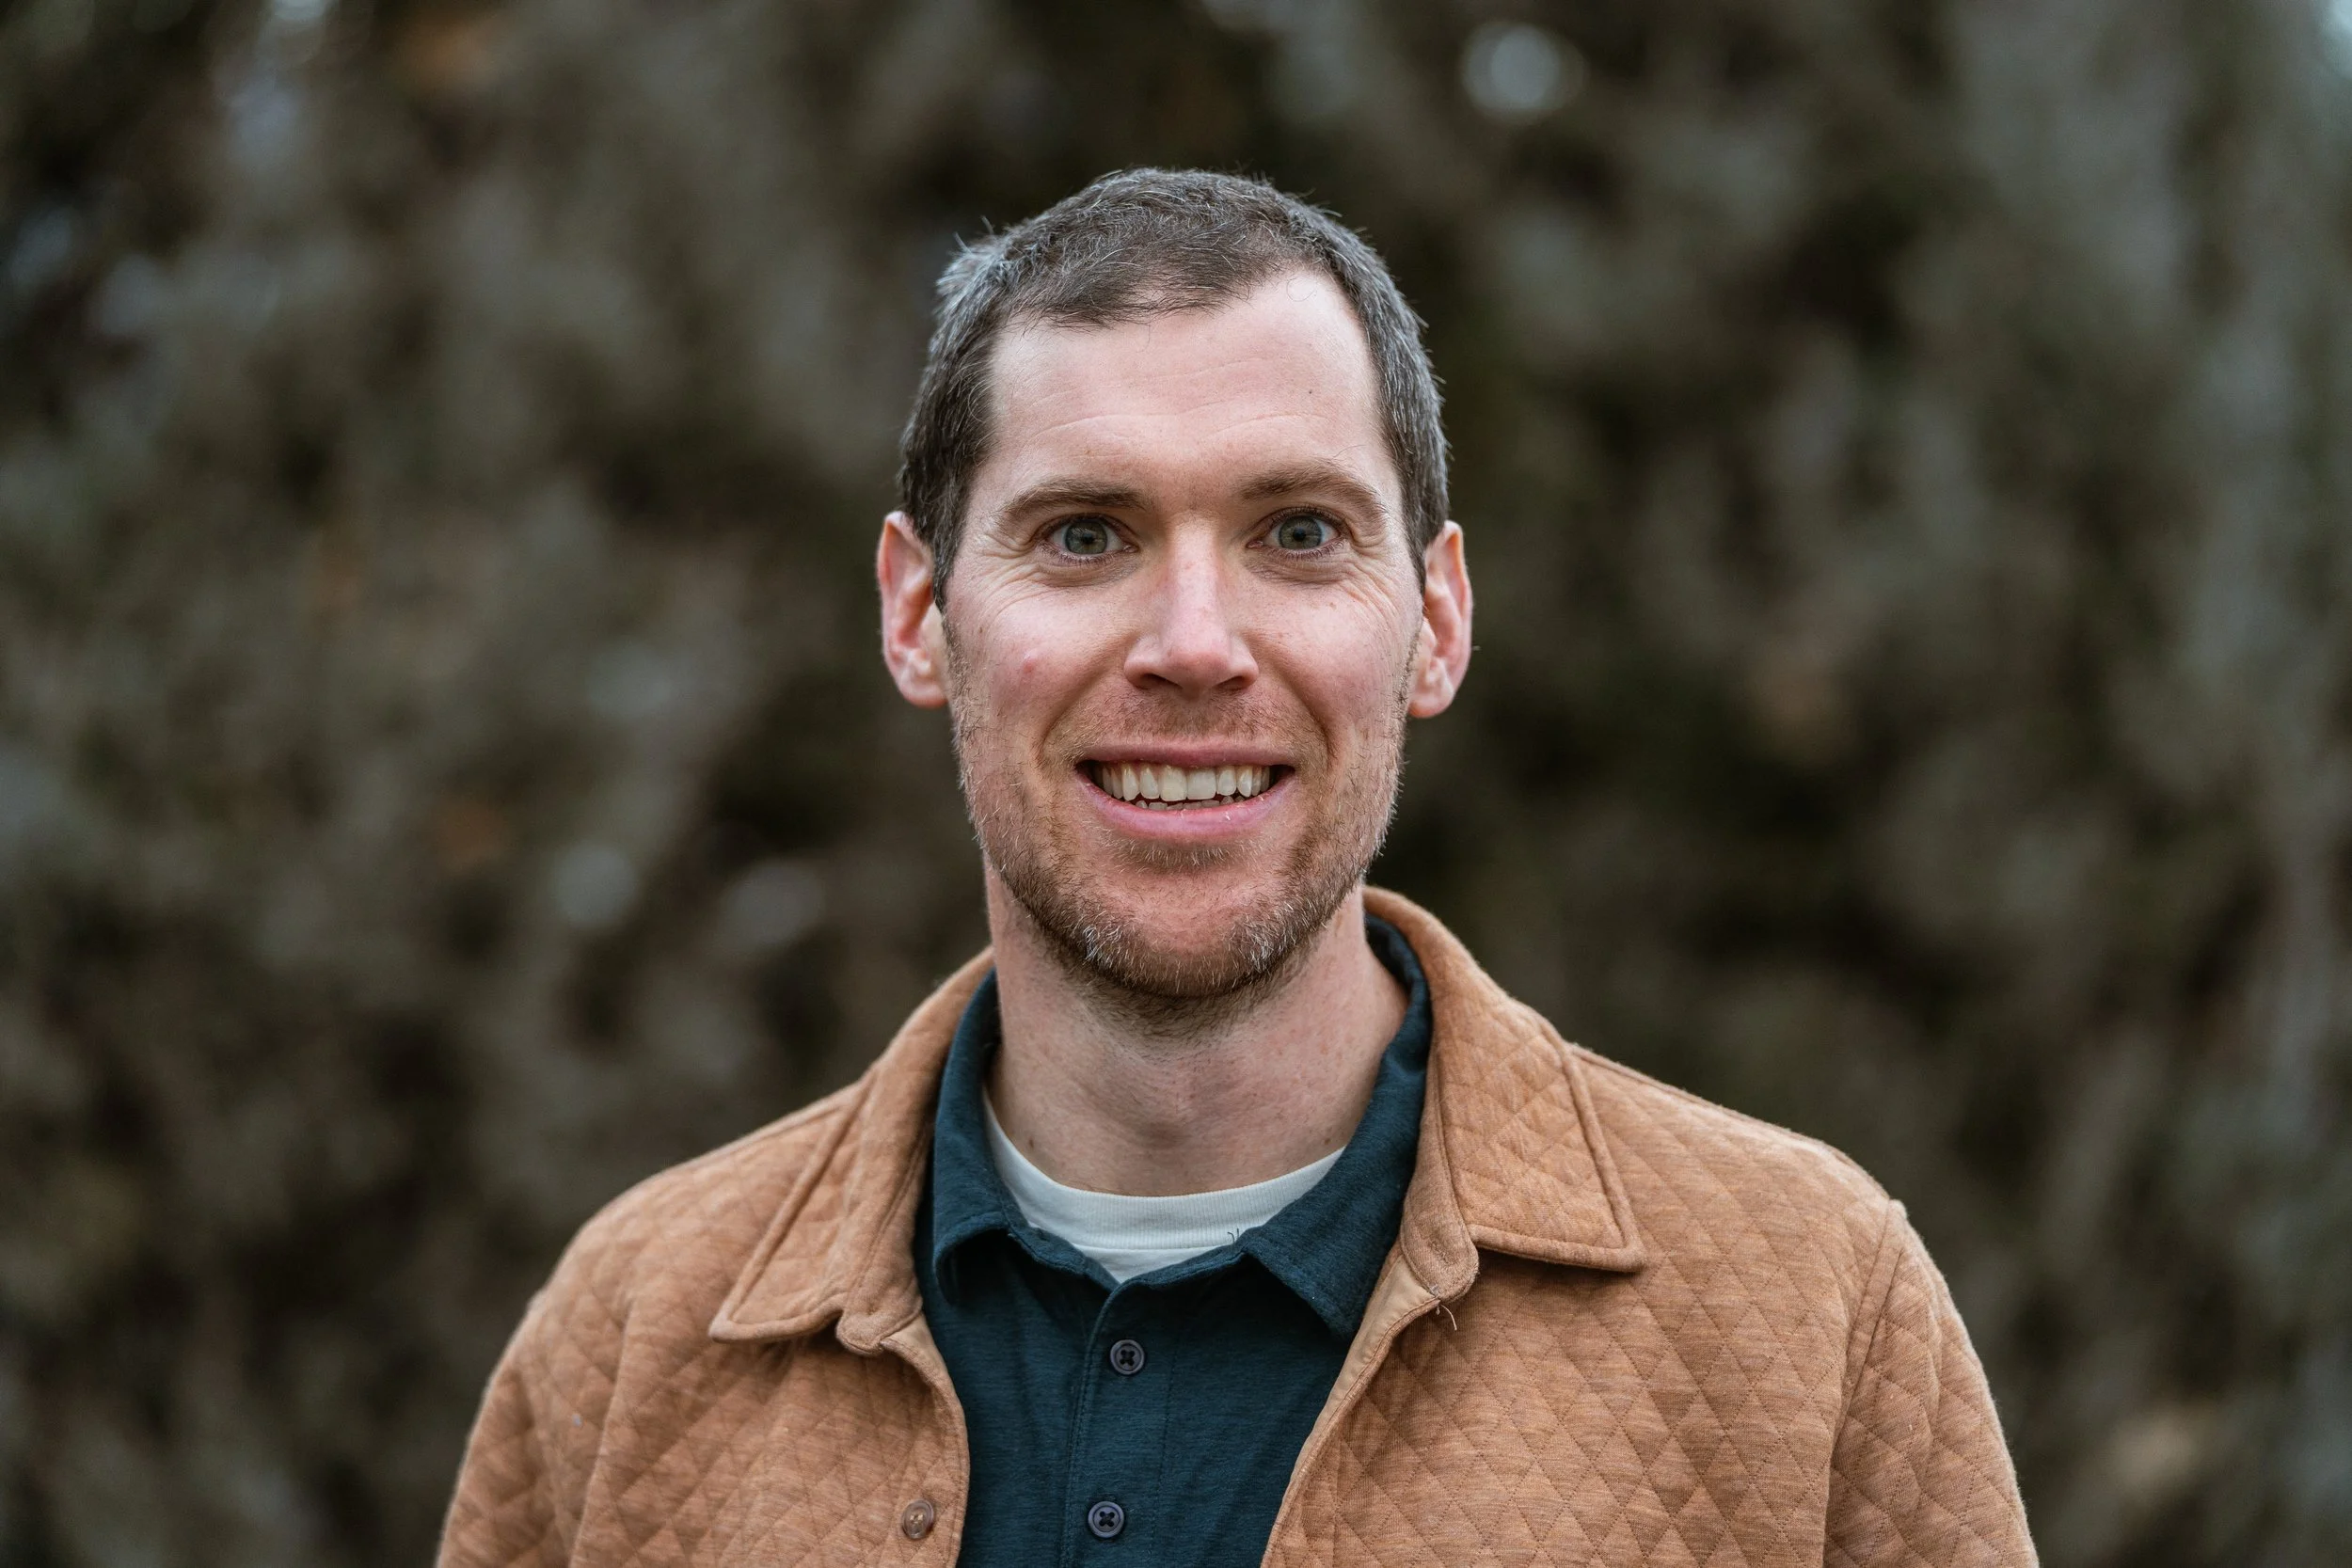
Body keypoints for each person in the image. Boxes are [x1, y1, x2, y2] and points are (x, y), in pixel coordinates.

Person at [438, 169, 2035, 1568]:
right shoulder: (632, 1340)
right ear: (920, 612)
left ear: (1439, 619)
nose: (1195, 646)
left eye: (1298, 533)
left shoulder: (1812, 1315)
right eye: (1083, 533)